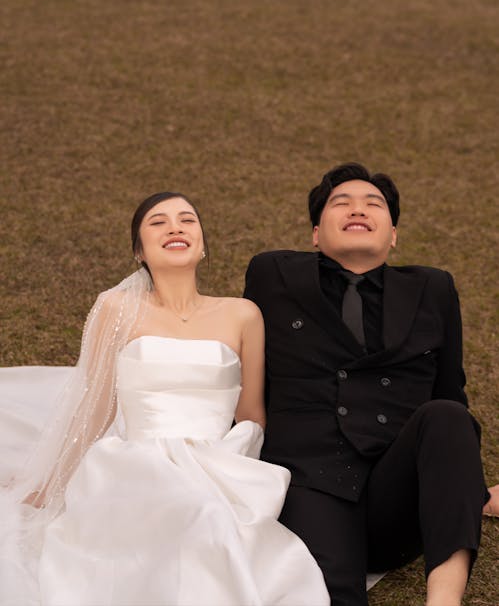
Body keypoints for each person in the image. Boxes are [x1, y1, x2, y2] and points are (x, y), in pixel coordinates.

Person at [0, 192, 330, 606]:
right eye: (158, 222)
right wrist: (51, 482)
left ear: (203, 243)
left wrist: (233, 467)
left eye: (187, 220)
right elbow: (96, 407)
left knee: (209, 514)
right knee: (197, 515)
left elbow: (251, 414)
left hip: (217, 460)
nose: (175, 227)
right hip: (136, 462)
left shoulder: (242, 314)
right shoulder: (117, 308)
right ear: (139, 250)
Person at [244, 162, 494, 606]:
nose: (358, 209)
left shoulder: (433, 288)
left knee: (449, 415)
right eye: (341, 203)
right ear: (316, 234)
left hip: (395, 495)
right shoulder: (272, 276)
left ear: (393, 234)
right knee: (333, 594)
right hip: (310, 481)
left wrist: (467, 489)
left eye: (373, 204)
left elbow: (449, 395)